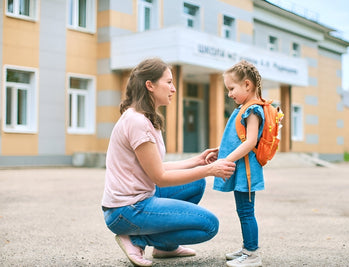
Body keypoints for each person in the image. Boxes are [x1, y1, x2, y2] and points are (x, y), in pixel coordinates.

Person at [101, 58, 236, 267]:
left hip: (137, 201)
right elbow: (160, 178)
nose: (173, 89)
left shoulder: (145, 118)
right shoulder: (137, 122)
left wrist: (198, 161)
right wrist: (209, 170)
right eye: (169, 82)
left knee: (196, 184)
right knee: (209, 225)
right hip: (125, 211)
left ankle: (165, 247)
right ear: (150, 85)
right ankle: (136, 239)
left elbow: (157, 168)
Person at [209, 60, 265, 267]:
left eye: (232, 88)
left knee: (246, 212)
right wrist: (221, 152)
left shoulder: (253, 110)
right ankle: (247, 248)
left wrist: (226, 160)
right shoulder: (244, 108)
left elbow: (250, 142)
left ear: (247, 85)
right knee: (243, 211)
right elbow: (236, 139)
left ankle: (252, 254)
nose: (229, 93)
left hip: (247, 171)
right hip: (242, 169)